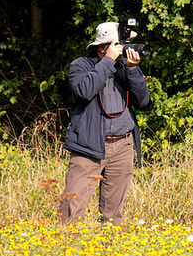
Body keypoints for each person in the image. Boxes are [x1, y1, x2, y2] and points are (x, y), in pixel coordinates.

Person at [58, 21, 150, 226]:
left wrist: (133, 70)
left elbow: (143, 101)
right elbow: (84, 90)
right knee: (71, 209)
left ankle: (108, 250)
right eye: (107, 45)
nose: (112, 49)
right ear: (99, 47)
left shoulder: (124, 67)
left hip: (123, 145)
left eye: (116, 44)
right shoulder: (81, 65)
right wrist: (108, 61)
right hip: (88, 147)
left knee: (113, 214)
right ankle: (65, 250)